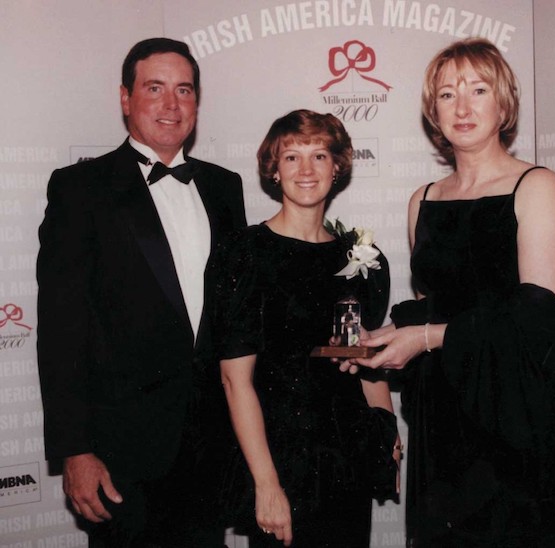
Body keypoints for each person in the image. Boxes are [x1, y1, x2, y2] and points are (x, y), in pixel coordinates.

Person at [350, 39, 555, 546]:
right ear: (432, 111)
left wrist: (425, 337)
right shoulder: (423, 200)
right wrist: (390, 334)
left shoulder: (536, 185)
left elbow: (540, 320)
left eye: (477, 90)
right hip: (443, 416)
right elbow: (439, 301)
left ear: (502, 103)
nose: (462, 107)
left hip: (516, 411)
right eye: (447, 95)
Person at [36, 37, 247, 547]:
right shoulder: (80, 188)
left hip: (211, 449)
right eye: (155, 88)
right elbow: (61, 331)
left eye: (184, 90)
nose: (171, 105)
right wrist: (75, 449)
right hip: (120, 455)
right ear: (125, 98)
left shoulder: (225, 188)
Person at [213, 109, 399, 547]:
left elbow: (366, 360)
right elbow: (233, 380)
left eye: (319, 156)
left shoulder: (363, 258)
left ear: (338, 167)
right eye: (291, 157)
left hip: (347, 456)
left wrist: (387, 437)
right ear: (273, 170)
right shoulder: (245, 253)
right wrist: (266, 484)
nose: (306, 170)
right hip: (279, 457)